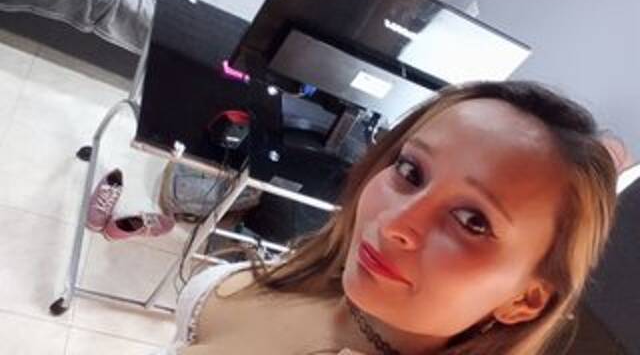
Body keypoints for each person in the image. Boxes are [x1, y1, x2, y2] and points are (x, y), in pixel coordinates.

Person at [155, 80, 617, 355]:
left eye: (472, 221)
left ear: (526, 301)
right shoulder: (320, 274)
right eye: (411, 171)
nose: (396, 222)